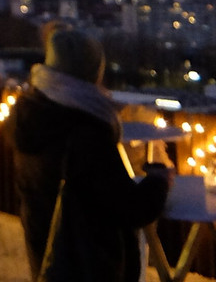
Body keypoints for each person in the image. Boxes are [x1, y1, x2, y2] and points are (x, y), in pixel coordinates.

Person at [9, 27, 168, 282]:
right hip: (89, 265)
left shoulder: (31, 113)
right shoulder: (84, 132)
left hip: (47, 254)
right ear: (93, 71)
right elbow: (132, 208)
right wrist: (159, 179)